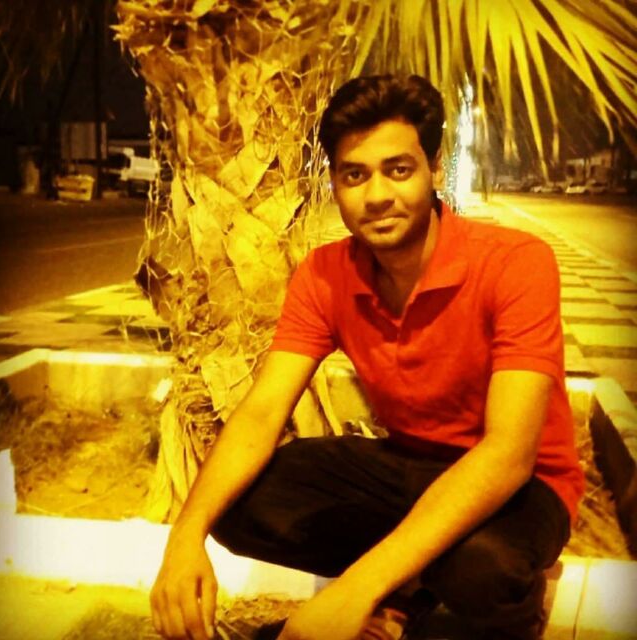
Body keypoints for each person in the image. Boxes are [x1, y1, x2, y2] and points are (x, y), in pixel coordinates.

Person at [149, 75, 584, 640]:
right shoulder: (325, 274)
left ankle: (500, 608)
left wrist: (353, 589)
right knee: (236, 502)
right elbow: (260, 413)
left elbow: (508, 455)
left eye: (398, 170)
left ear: (434, 169)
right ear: (334, 182)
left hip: (525, 487)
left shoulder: (515, 262)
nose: (376, 195)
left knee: (481, 569)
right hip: (409, 462)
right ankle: (406, 589)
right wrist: (184, 537)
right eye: (354, 175)